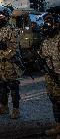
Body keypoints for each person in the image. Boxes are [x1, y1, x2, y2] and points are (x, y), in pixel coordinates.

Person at [0, 4, 23, 119]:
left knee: (13, 86)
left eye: (1, 15)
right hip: (0, 63)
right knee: (2, 85)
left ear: (7, 16)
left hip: (10, 63)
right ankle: (3, 107)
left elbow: (13, 49)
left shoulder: (12, 30)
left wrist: (2, 54)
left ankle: (16, 110)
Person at [39, 7, 60, 136]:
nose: (47, 24)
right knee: (55, 102)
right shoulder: (46, 40)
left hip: (58, 76)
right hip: (50, 77)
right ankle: (58, 126)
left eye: (50, 21)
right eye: (45, 22)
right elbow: (42, 55)